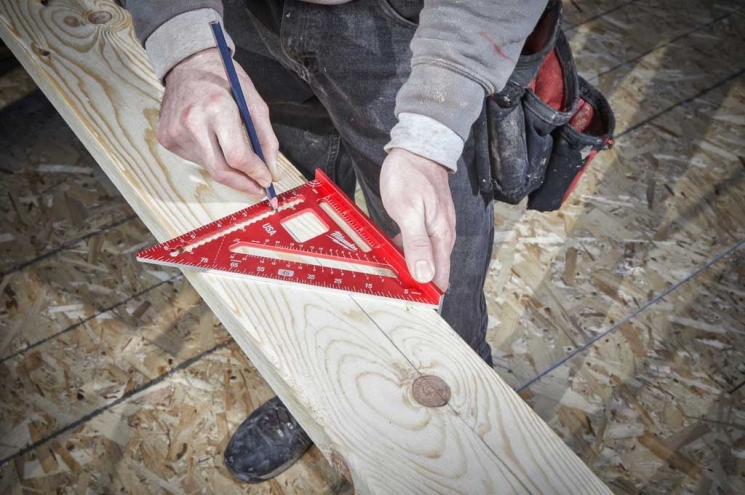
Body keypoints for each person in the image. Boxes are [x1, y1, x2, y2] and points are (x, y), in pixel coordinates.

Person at [122, 0, 547, 483]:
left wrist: (431, 133)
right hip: (247, 18)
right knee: (301, 252)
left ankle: (457, 420)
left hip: (412, 31)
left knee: (436, 279)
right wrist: (186, 44)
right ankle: (317, 390)